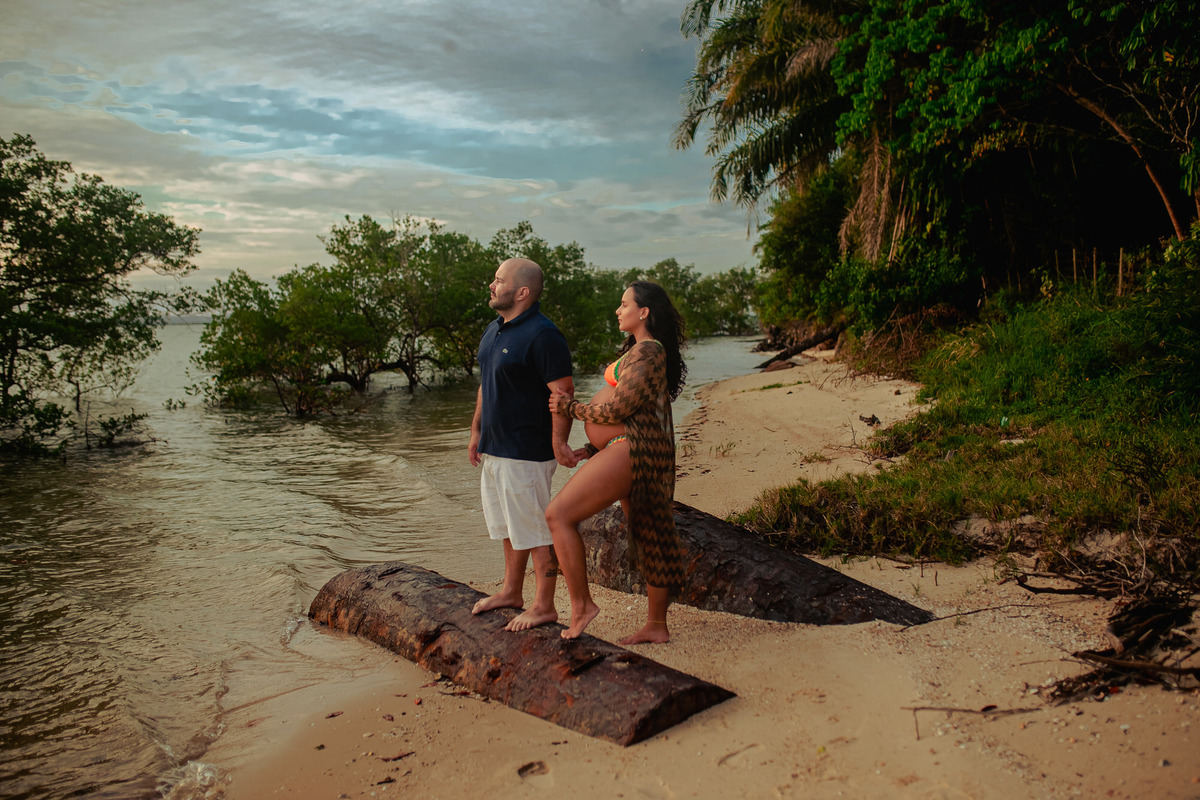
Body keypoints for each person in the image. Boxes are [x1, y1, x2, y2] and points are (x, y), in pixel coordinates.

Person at [545, 280, 688, 644]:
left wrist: (569, 408)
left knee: (558, 515)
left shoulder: (650, 352)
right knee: (649, 532)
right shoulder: (641, 351)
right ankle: (657, 626)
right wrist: (594, 449)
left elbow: (619, 408)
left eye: (624, 304)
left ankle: (582, 607)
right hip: (627, 448)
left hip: (633, 450)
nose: (617, 310)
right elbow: (636, 412)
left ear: (644, 312)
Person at [469, 257, 577, 631]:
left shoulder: (544, 335)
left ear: (522, 291)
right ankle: (511, 591)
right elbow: (487, 382)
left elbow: (563, 392)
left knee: (534, 531)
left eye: (498, 280)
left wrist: (559, 443)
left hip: (527, 452)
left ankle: (544, 605)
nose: (492, 285)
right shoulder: (494, 329)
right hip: (495, 448)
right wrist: (475, 432)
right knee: (508, 527)